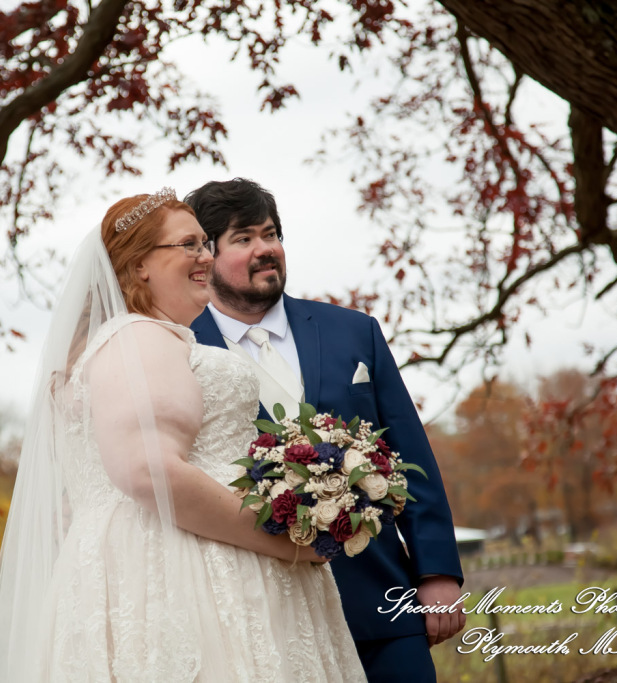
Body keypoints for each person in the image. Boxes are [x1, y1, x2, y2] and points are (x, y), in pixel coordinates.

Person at [0, 189, 366, 682]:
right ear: (140, 264)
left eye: (206, 244)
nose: (206, 256)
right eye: (189, 245)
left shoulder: (130, 342)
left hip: (156, 566)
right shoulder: (137, 338)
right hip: (183, 577)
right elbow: (149, 470)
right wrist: (288, 543)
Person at [186, 178, 466, 683]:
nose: (266, 249)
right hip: (258, 611)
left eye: (271, 234)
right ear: (205, 256)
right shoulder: (178, 350)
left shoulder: (354, 332)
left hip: (379, 597)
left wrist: (437, 572)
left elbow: (407, 451)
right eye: (244, 238)